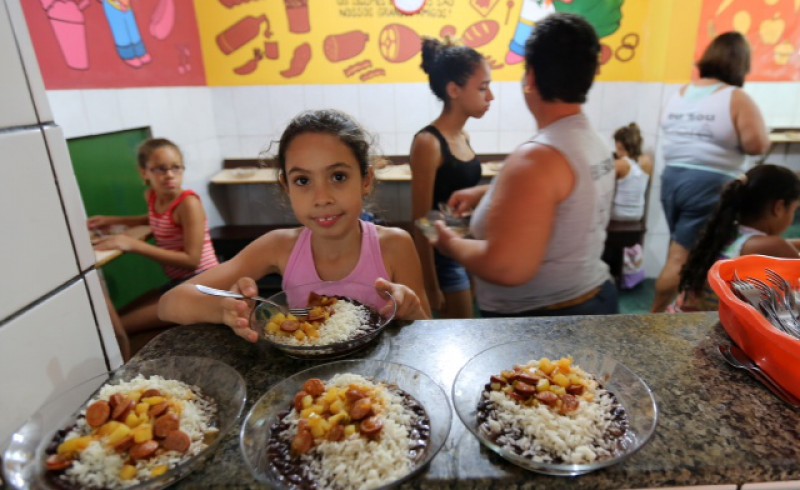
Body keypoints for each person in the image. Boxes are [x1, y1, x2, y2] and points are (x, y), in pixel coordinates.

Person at [158, 109, 430, 342]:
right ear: (286, 187)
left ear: (366, 180)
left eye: (338, 176)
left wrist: (413, 311)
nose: (322, 198)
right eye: (303, 181)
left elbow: (426, 332)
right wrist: (224, 310)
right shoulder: (279, 246)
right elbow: (170, 304)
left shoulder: (395, 245)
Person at [431, 13, 618, 317]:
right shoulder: (590, 140)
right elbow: (565, 197)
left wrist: (449, 243)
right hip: (590, 300)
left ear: (530, 78)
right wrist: (489, 194)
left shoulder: (536, 158)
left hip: (545, 321)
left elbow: (506, 267)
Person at [652, 31, 770, 312]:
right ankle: (650, 320)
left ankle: (678, 310)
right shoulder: (734, 97)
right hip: (708, 183)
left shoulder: (680, 93)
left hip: (672, 180)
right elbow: (757, 144)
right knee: (681, 259)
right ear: (740, 63)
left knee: (682, 252)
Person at [88, 138, 219, 354]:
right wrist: (113, 220)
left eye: (175, 168)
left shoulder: (188, 203)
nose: (169, 175)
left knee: (121, 328)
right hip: (178, 282)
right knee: (118, 318)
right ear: (144, 173)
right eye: (160, 169)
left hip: (203, 282)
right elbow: (155, 219)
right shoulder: (153, 197)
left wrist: (134, 245)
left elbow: (191, 260)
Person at [410, 37, 493, 318]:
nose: (490, 96)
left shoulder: (463, 136)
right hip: (442, 258)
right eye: (483, 88)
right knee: (461, 332)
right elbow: (422, 221)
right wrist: (430, 286)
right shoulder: (428, 142)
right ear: (454, 90)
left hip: (465, 244)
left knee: (471, 329)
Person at [670, 164, 800, 312]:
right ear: (779, 207)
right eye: (794, 210)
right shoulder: (772, 246)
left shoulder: (727, 233)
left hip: (681, 318)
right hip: (704, 332)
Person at [611, 122, 652, 222]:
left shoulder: (619, 164)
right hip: (638, 214)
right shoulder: (647, 161)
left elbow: (594, 171)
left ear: (619, 145)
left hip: (618, 213)